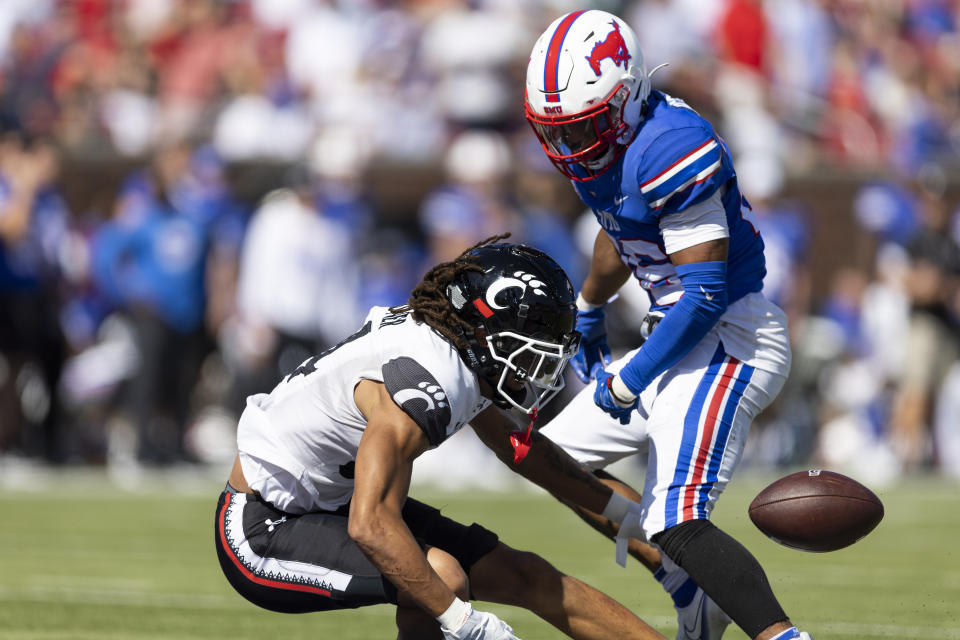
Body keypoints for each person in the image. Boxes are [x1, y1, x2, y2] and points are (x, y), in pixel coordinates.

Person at [214, 236, 667, 640]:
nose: (541, 363)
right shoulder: (427, 380)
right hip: (265, 525)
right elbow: (369, 524)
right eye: (534, 339)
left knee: (527, 576)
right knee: (443, 580)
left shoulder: (454, 351)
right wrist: (466, 625)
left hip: (334, 501)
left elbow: (518, 450)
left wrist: (623, 514)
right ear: (490, 330)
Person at [523, 10, 813, 640]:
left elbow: (705, 296)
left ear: (625, 98)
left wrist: (632, 381)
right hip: (675, 332)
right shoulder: (614, 146)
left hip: (728, 339)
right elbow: (620, 229)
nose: (571, 146)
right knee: (546, 457)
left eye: (583, 128)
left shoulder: (670, 146)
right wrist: (590, 305)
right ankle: (686, 585)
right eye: (559, 132)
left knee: (677, 517)